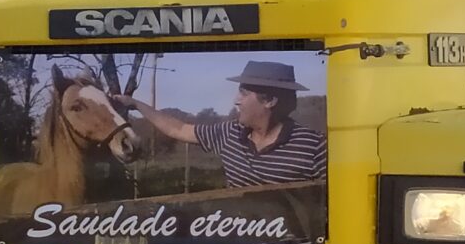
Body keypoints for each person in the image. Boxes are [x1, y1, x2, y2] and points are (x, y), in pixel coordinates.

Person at [114, 61, 326, 188]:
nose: (236, 100)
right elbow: (176, 128)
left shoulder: (314, 147)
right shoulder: (229, 132)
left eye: (243, 93)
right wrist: (135, 104)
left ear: (269, 101)